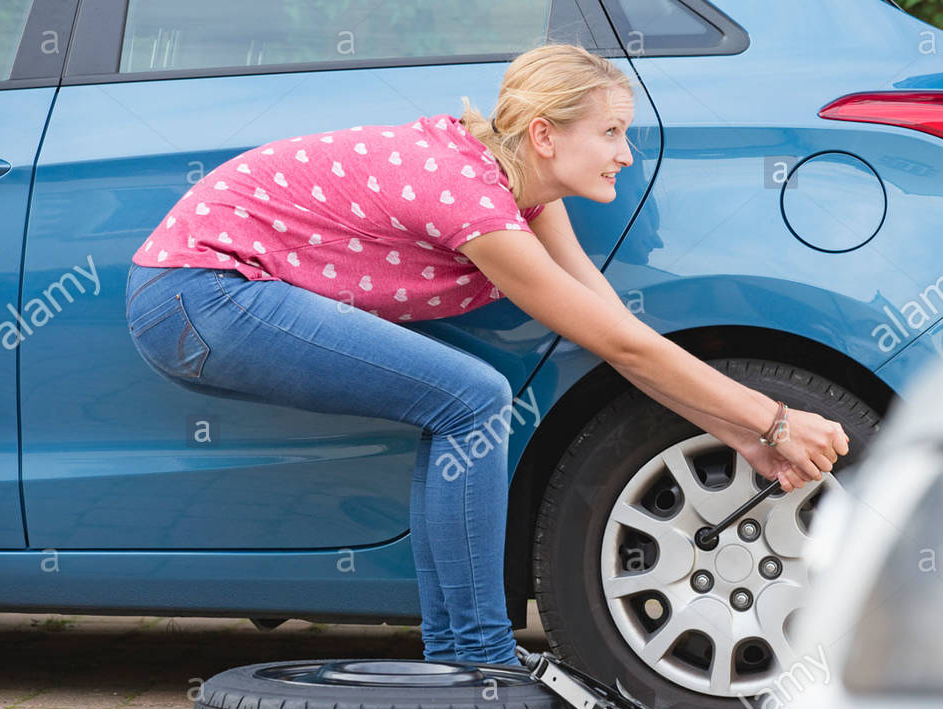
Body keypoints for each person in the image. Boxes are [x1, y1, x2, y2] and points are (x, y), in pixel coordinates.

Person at [124, 42, 850, 668]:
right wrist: (778, 420)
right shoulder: (468, 196)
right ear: (544, 135)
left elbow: (620, 340)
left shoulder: (530, 196)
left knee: (465, 402)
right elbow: (617, 339)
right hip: (197, 295)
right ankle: (476, 655)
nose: (626, 154)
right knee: (471, 399)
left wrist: (746, 437)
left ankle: (462, 655)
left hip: (215, 294)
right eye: (611, 132)